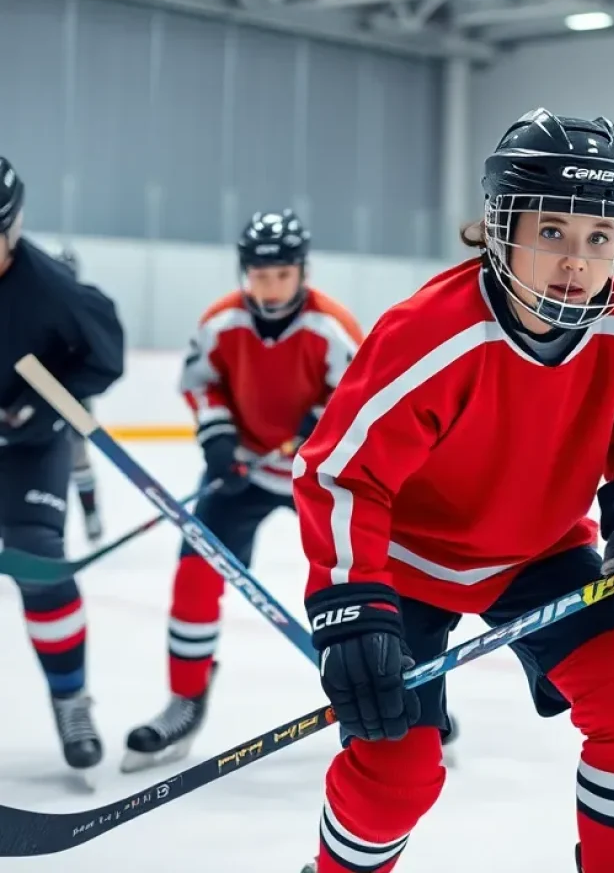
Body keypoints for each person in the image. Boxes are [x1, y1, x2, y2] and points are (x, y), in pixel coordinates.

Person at [293, 108, 614, 873]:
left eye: (599, 237)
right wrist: (351, 607)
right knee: (396, 779)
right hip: (406, 568)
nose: (576, 262)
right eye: (551, 231)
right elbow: (341, 473)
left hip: (537, 555)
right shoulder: (430, 332)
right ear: (500, 228)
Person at [122, 210, 365, 772]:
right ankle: (184, 698)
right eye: (259, 275)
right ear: (244, 272)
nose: (269, 286)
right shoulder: (220, 322)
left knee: (364, 581)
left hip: (319, 476)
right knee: (194, 575)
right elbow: (200, 383)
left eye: (281, 274)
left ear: (301, 272)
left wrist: (322, 419)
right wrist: (218, 437)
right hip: (247, 474)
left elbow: (359, 391)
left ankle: (410, 695)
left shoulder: (331, 326)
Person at [0, 158, 125, 780]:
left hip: (29, 442)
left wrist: (38, 406)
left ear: (12, 229)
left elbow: (106, 359)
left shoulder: (50, 288)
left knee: (39, 563)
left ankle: (70, 697)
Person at [53, 245, 105, 543]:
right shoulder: (35, 304)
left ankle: (90, 513)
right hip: (38, 395)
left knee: (77, 458)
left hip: (73, 397)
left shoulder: (83, 309)